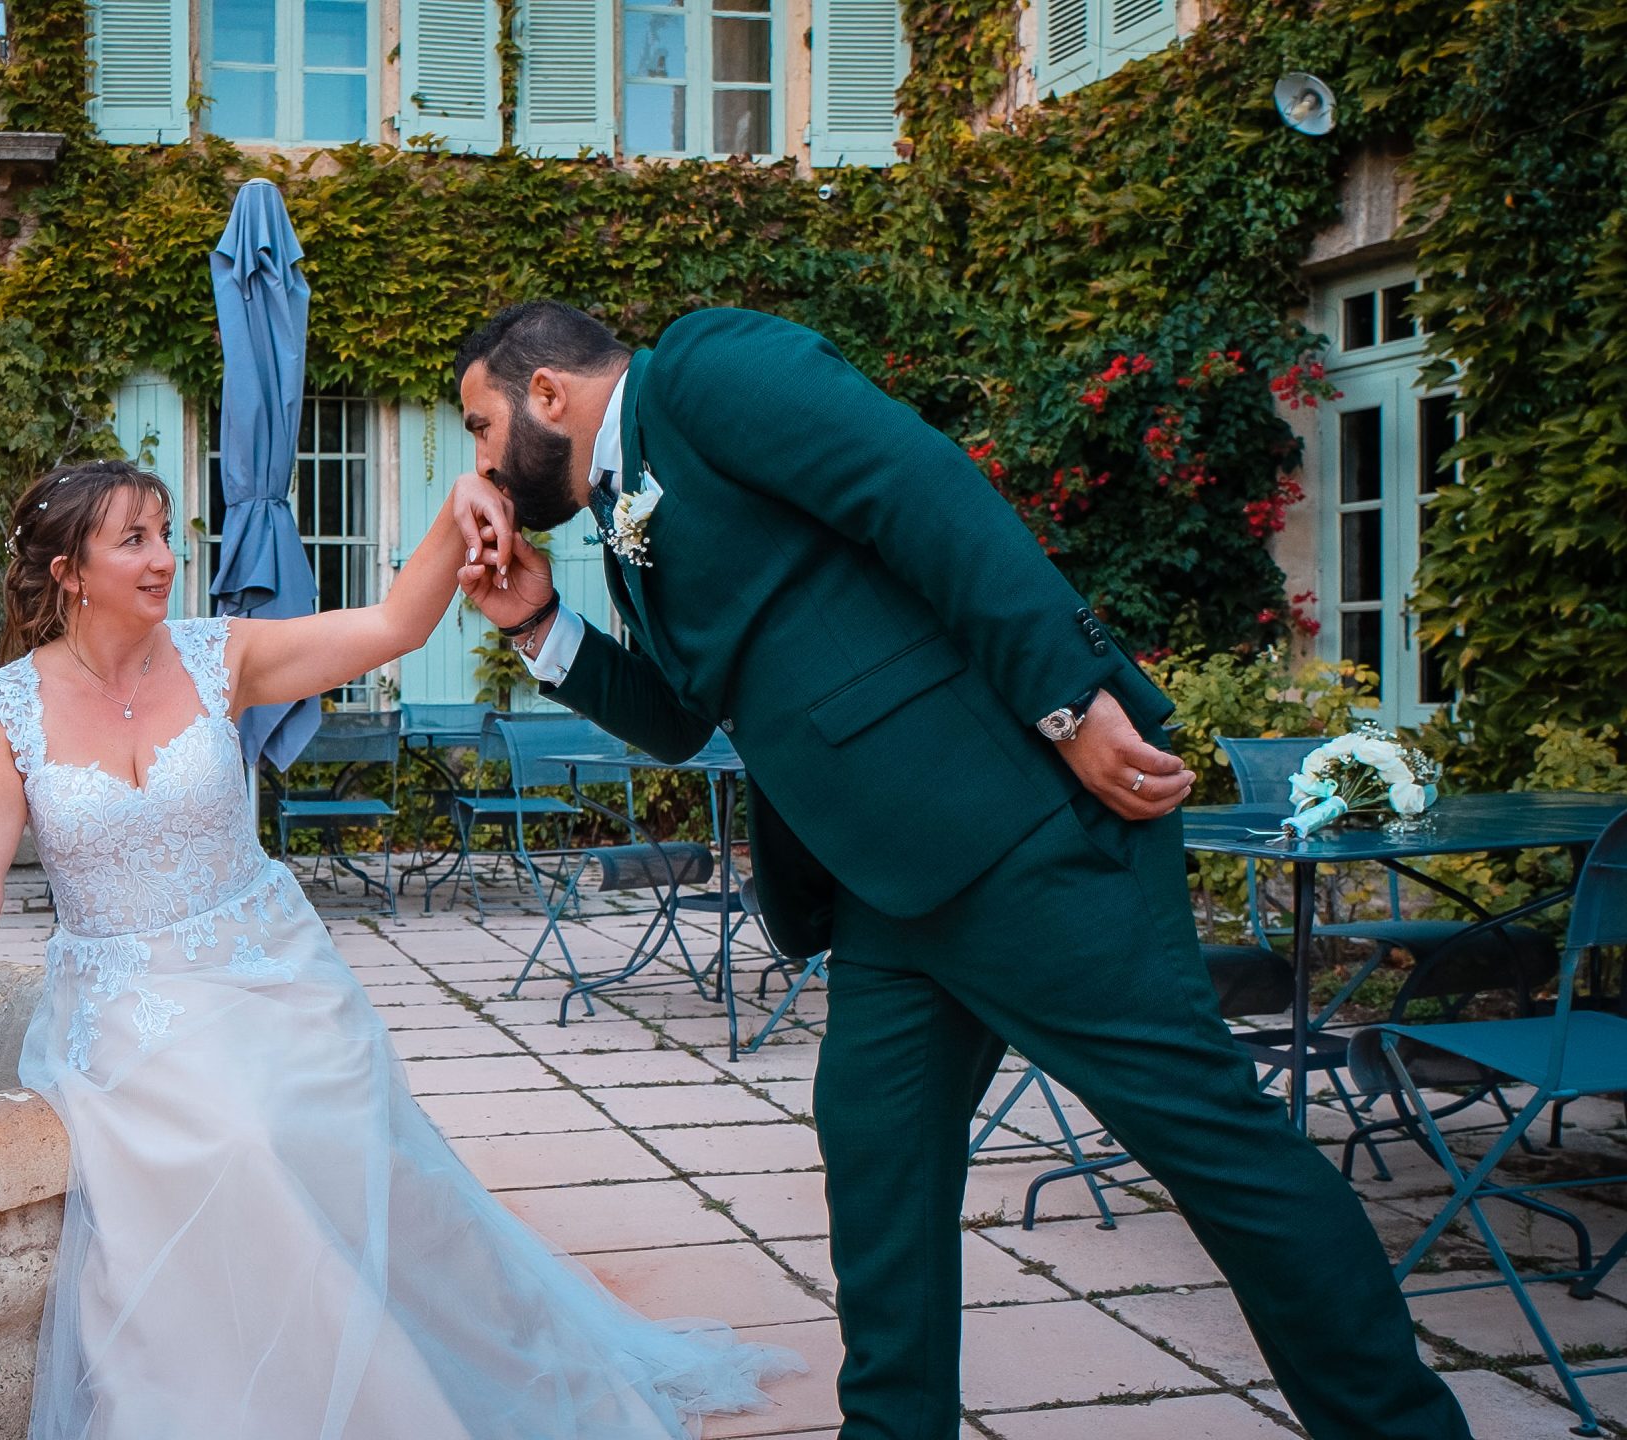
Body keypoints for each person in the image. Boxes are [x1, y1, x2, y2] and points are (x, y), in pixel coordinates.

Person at [448, 301, 1474, 1440]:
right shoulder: (622, 514)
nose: (481, 461)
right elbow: (687, 719)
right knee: (877, 1160)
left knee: (1213, 1148)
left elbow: (918, 487)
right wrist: (538, 622)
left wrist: (1068, 698)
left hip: (1017, 833)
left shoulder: (706, 369)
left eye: (480, 426)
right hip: (885, 881)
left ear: (548, 394)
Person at [0, 458, 801, 1438]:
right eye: (133, 541)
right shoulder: (9, 710)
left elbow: (392, 626)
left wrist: (461, 506)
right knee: (233, 1144)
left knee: (356, 1162)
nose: (164, 560)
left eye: (165, 535)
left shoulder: (221, 656)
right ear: (69, 573)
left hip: (270, 976)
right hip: (125, 1013)